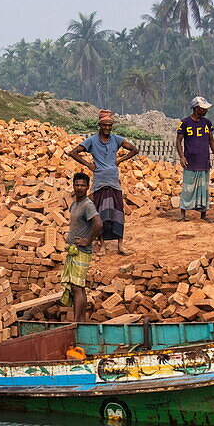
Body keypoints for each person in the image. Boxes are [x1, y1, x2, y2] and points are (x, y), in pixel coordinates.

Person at [67, 109, 140, 255]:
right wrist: (88, 164)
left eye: (109, 126)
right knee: (100, 214)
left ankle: (120, 246)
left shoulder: (116, 139)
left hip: (113, 182)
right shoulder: (92, 140)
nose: (107, 128)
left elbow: (134, 149)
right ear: (99, 125)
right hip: (99, 182)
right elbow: (73, 152)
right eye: (104, 125)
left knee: (117, 213)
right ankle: (103, 246)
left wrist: (119, 160)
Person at [61, 172, 102, 321]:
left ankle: (78, 321)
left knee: (77, 287)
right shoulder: (74, 203)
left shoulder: (87, 205)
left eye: (83, 185)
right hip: (73, 250)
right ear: (73, 185)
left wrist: (87, 240)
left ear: (88, 187)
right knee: (78, 287)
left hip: (81, 250)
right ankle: (82, 320)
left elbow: (98, 224)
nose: (79, 188)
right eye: (77, 185)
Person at [176, 96, 214, 221]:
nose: (206, 111)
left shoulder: (207, 123)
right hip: (190, 160)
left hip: (203, 160)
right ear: (196, 109)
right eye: (203, 108)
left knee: (203, 188)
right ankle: (183, 214)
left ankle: (203, 214)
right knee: (188, 188)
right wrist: (182, 157)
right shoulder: (185, 123)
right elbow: (178, 141)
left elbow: (211, 139)